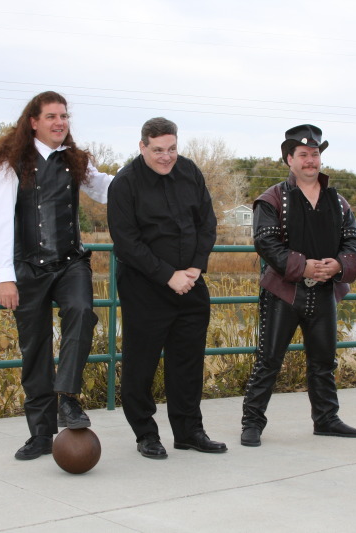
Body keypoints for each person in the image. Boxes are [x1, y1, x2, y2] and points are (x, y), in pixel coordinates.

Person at [0, 91, 114, 460]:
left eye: (64, 116)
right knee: (35, 351)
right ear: (34, 122)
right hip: (27, 267)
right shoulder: (11, 164)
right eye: (52, 116)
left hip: (71, 262)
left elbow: (106, 188)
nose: (60, 122)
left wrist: (143, 171)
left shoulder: (75, 160)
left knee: (82, 312)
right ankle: (40, 436)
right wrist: (4, 276)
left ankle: (68, 398)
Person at [107, 117, 227, 459]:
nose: (166, 157)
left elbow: (207, 222)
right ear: (142, 146)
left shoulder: (189, 172)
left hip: (191, 283)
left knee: (188, 362)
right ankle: (146, 434)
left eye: (172, 149)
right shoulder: (124, 183)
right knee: (140, 366)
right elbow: (126, 241)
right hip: (144, 286)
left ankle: (189, 431)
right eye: (158, 150)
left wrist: (195, 267)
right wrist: (167, 275)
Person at [240, 124, 356, 447]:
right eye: (304, 154)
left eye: (315, 154)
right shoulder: (271, 199)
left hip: (324, 293)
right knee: (268, 360)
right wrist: (303, 266)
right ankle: (252, 423)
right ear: (289, 160)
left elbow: (353, 241)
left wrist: (338, 265)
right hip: (283, 293)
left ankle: (326, 419)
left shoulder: (338, 202)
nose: (311, 160)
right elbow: (266, 243)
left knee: (324, 362)